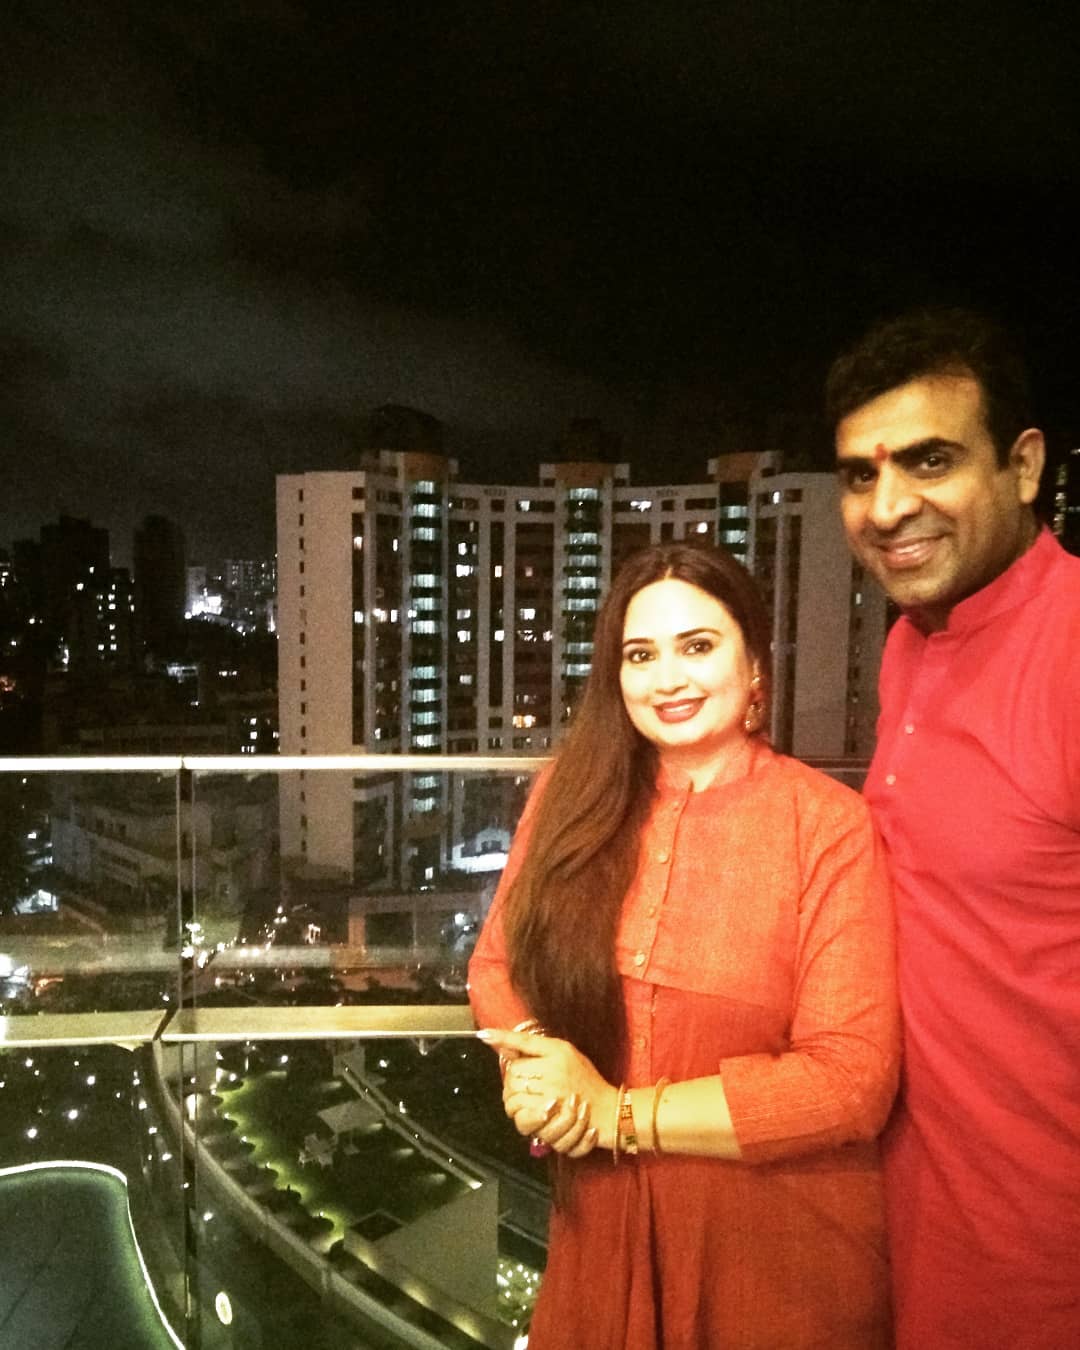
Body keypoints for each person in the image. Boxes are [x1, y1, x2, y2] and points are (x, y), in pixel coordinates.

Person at [468, 542, 899, 1350]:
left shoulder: (826, 826)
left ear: (755, 663)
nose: (668, 679)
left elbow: (850, 1081)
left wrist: (615, 1114)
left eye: (697, 646)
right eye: (641, 655)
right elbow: (497, 966)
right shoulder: (569, 798)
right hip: (598, 1234)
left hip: (773, 1254)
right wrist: (538, 1077)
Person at [827, 308, 1080, 1349]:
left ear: (1023, 467)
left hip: (1045, 1267)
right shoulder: (910, 644)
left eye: (930, 460)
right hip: (909, 1231)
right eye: (860, 473)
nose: (888, 507)